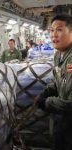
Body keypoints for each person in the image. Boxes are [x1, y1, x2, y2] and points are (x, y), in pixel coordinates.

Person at [34, 14, 72, 150]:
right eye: (51, 30)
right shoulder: (59, 55)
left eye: (60, 30)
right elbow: (58, 81)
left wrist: (46, 102)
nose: (54, 35)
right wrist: (46, 92)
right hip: (65, 118)